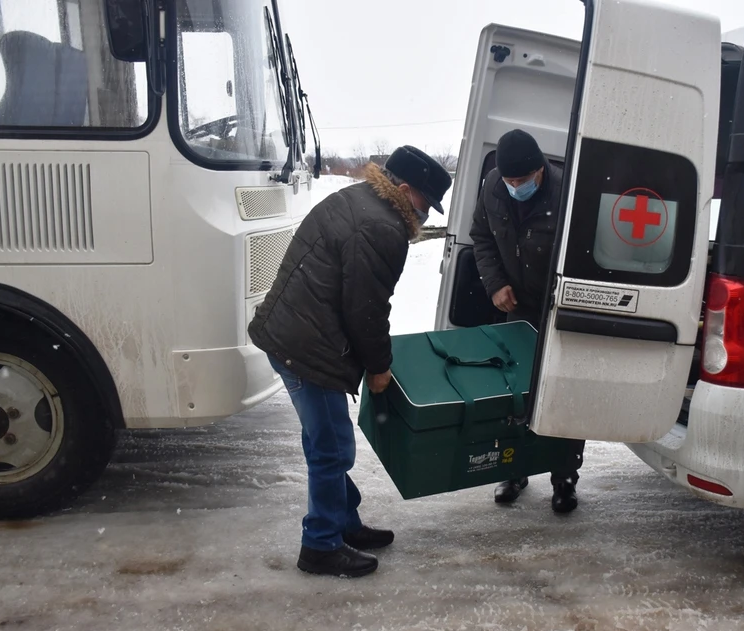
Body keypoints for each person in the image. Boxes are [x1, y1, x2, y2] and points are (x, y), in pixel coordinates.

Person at [249, 146, 452, 578]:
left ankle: (343, 521)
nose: (426, 216)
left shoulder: (357, 199)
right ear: (403, 189)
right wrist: (379, 367)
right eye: (424, 204)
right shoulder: (383, 227)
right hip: (307, 347)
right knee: (331, 449)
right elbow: (367, 309)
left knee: (322, 442)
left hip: (289, 332)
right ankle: (320, 546)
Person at [469, 129, 585, 513]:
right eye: (509, 180)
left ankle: (564, 478)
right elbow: (481, 237)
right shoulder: (493, 186)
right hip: (517, 307)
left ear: (540, 170)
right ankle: (513, 470)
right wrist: (495, 284)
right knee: (514, 393)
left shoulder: (567, 191)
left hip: (560, 309)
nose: (514, 186)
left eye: (522, 180)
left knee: (564, 396)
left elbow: (585, 249)